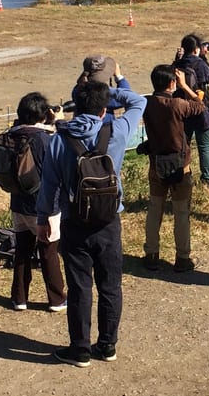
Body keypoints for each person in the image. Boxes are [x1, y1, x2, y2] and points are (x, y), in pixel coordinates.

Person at [37, 79, 145, 367]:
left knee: (80, 287)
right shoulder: (117, 131)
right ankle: (107, 345)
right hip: (109, 221)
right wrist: (110, 94)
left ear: (75, 106)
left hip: (74, 223)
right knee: (111, 286)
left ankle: (80, 349)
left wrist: (43, 219)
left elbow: (49, 187)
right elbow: (138, 101)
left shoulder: (58, 140)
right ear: (103, 108)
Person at [2, 92, 67, 312]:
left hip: (18, 203)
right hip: (43, 206)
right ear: (44, 114)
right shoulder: (43, 139)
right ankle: (57, 299)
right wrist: (57, 123)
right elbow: (59, 159)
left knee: (22, 250)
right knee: (48, 251)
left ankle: (19, 298)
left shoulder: (12, 135)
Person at [141, 64, 205, 272]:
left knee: (154, 209)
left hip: (156, 163)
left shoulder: (147, 103)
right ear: (172, 83)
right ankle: (182, 257)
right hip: (180, 165)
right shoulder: (178, 104)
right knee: (181, 212)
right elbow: (199, 106)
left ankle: (151, 253)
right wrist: (185, 85)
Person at [173, 34, 209, 184]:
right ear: (197, 49)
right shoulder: (199, 63)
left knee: (183, 146)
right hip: (199, 108)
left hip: (182, 109)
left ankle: (183, 174)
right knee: (204, 146)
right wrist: (204, 58)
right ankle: (206, 178)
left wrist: (176, 59)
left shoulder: (179, 63)